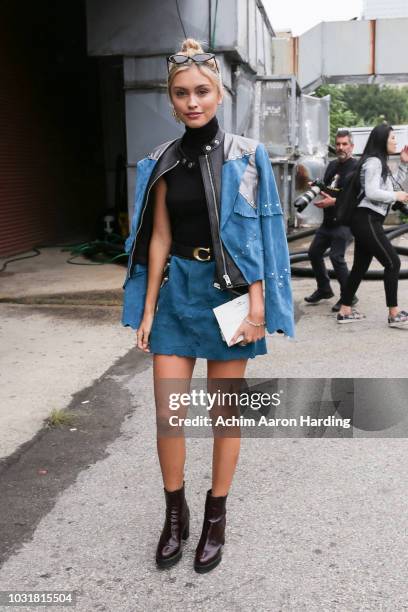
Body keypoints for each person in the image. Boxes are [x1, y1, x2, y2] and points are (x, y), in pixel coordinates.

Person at [121, 38, 294, 573]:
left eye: (202, 90)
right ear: (171, 101)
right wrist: (148, 310)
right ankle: (176, 515)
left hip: (232, 296)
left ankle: (216, 513)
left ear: (219, 93)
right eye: (181, 93)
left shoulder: (248, 154)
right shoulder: (160, 161)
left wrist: (258, 308)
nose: (192, 101)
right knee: (168, 415)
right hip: (179, 294)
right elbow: (157, 238)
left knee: (225, 413)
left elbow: (264, 234)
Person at [337, 123, 408, 327]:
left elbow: (391, 186)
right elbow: (372, 192)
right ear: (382, 140)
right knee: (393, 263)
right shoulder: (374, 163)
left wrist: (403, 164)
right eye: (392, 138)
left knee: (360, 266)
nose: (396, 141)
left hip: (369, 219)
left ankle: (345, 310)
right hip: (366, 218)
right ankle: (394, 314)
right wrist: (396, 195)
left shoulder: (380, 163)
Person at [304, 129, 359, 312]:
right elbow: (327, 187)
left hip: (344, 222)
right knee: (314, 253)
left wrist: (333, 201)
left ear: (352, 146)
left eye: (345, 144)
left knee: (336, 257)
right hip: (327, 221)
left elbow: (355, 196)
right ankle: (324, 289)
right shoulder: (332, 165)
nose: (341, 147)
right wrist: (316, 186)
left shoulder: (356, 167)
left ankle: (348, 296)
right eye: (338, 144)